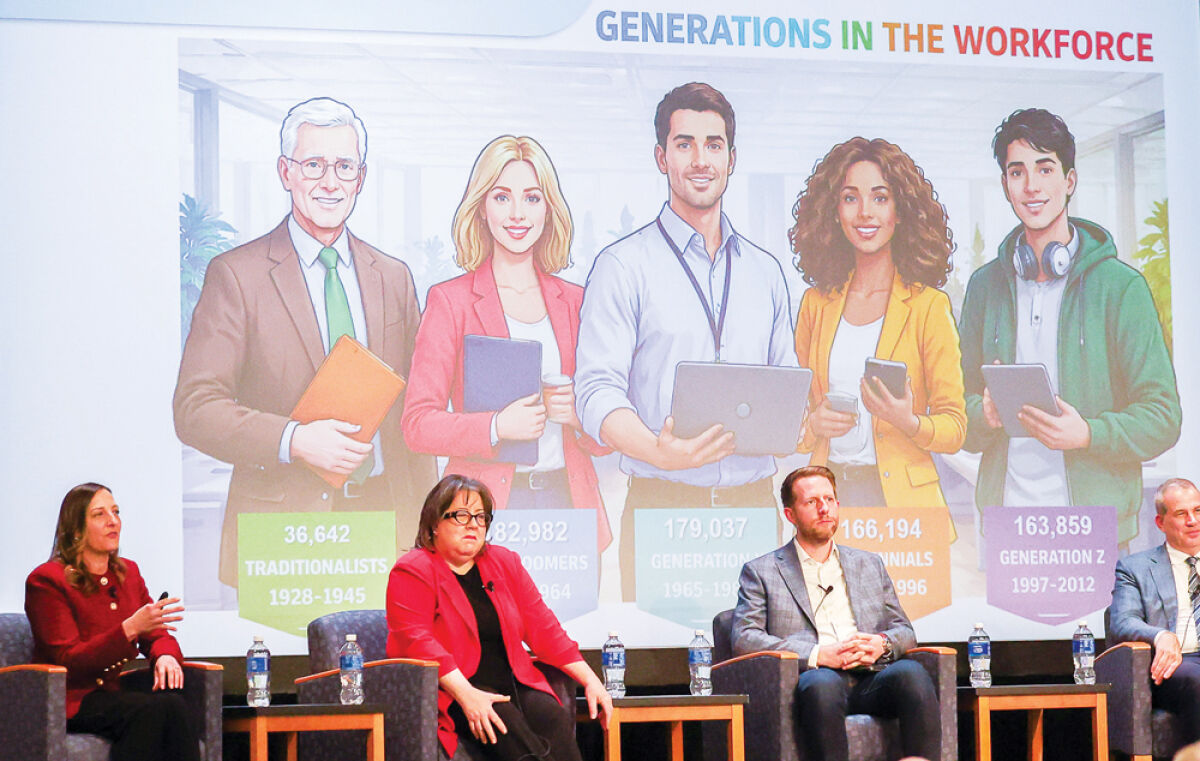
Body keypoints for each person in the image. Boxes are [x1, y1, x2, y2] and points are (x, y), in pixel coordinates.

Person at [174, 97, 436, 586]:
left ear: (361, 177)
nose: (330, 181)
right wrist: (293, 440)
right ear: (285, 171)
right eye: (313, 164)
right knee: (296, 666)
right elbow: (194, 408)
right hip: (285, 535)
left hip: (388, 525)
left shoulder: (394, 278)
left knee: (390, 665)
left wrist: (431, 534)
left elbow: (413, 416)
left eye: (344, 166)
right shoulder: (237, 276)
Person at [576, 82, 797, 598]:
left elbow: (787, 386)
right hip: (662, 506)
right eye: (684, 144)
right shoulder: (622, 266)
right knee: (667, 672)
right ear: (661, 156)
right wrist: (658, 451)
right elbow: (596, 392)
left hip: (753, 510)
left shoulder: (766, 273)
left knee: (762, 667)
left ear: (732, 158)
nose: (701, 159)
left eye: (714, 144)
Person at [958, 107, 1179, 546]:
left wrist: (1089, 434)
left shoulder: (1121, 287)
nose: (1032, 186)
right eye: (1017, 172)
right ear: (1005, 185)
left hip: (1096, 528)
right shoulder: (985, 287)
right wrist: (981, 414)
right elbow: (954, 408)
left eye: (1045, 168)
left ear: (1070, 181)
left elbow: (1163, 418)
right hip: (1009, 525)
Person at [401, 135, 611, 548]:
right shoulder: (450, 301)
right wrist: (497, 427)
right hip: (481, 510)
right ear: (481, 207)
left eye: (532, 198)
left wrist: (578, 416)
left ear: (549, 209)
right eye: (501, 198)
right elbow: (417, 425)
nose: (518, 214)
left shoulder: (576, 302)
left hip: (568, 504)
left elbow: (606, 435)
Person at [790, 137, 965, 507]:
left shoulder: (929, 307)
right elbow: (793, 415)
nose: (865, 213)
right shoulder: (815, 305)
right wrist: (812, 427)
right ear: (833, 211)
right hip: (827, 494)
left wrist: (910, 422)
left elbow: (955, 427)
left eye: (880, 198)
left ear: (900, 211)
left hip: (903, 506)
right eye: (850, 198)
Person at [386, 475, 611, 760]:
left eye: (481, 516)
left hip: (514, 681)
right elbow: (418, 643)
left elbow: (544, 628)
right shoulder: (413, 570)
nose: (472, 524)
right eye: (460, 515)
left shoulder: (504, 562)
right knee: (501, 721)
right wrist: (467, 695)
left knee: (551, 715)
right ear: (434, 524)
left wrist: (592, 681)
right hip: (452, 690)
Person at [731, 465, 940, 761]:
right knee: (822, 685)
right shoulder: (762, 571)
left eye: (829, 500)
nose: (824, 508)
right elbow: (745, 637)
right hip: (815, 677)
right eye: (811, 502)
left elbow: (905, 631)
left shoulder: (869, 564)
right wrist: (818, 654)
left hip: (871, 677)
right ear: (790, 514)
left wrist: (881, 643)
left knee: (911, 674)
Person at [24, 483, 198, 761]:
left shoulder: (127, 573)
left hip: (110, 693)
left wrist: (165, 655)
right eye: (99, 514)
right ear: (76, 529)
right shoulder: (47, 581)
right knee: (152, 711)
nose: (113, 521)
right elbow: (67, 659)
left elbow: (155, 632)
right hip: (70, 699)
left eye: (116, 512)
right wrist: (129, 628)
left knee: (173, 703)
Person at [1109, 477, 1200, 746]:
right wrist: (1161, 635)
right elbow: (1122, 621)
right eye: (1181, 514)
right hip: (1178, 665)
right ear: (1160, 522)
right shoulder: (1135, 568)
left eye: (1198, 511)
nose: (1192, 521)